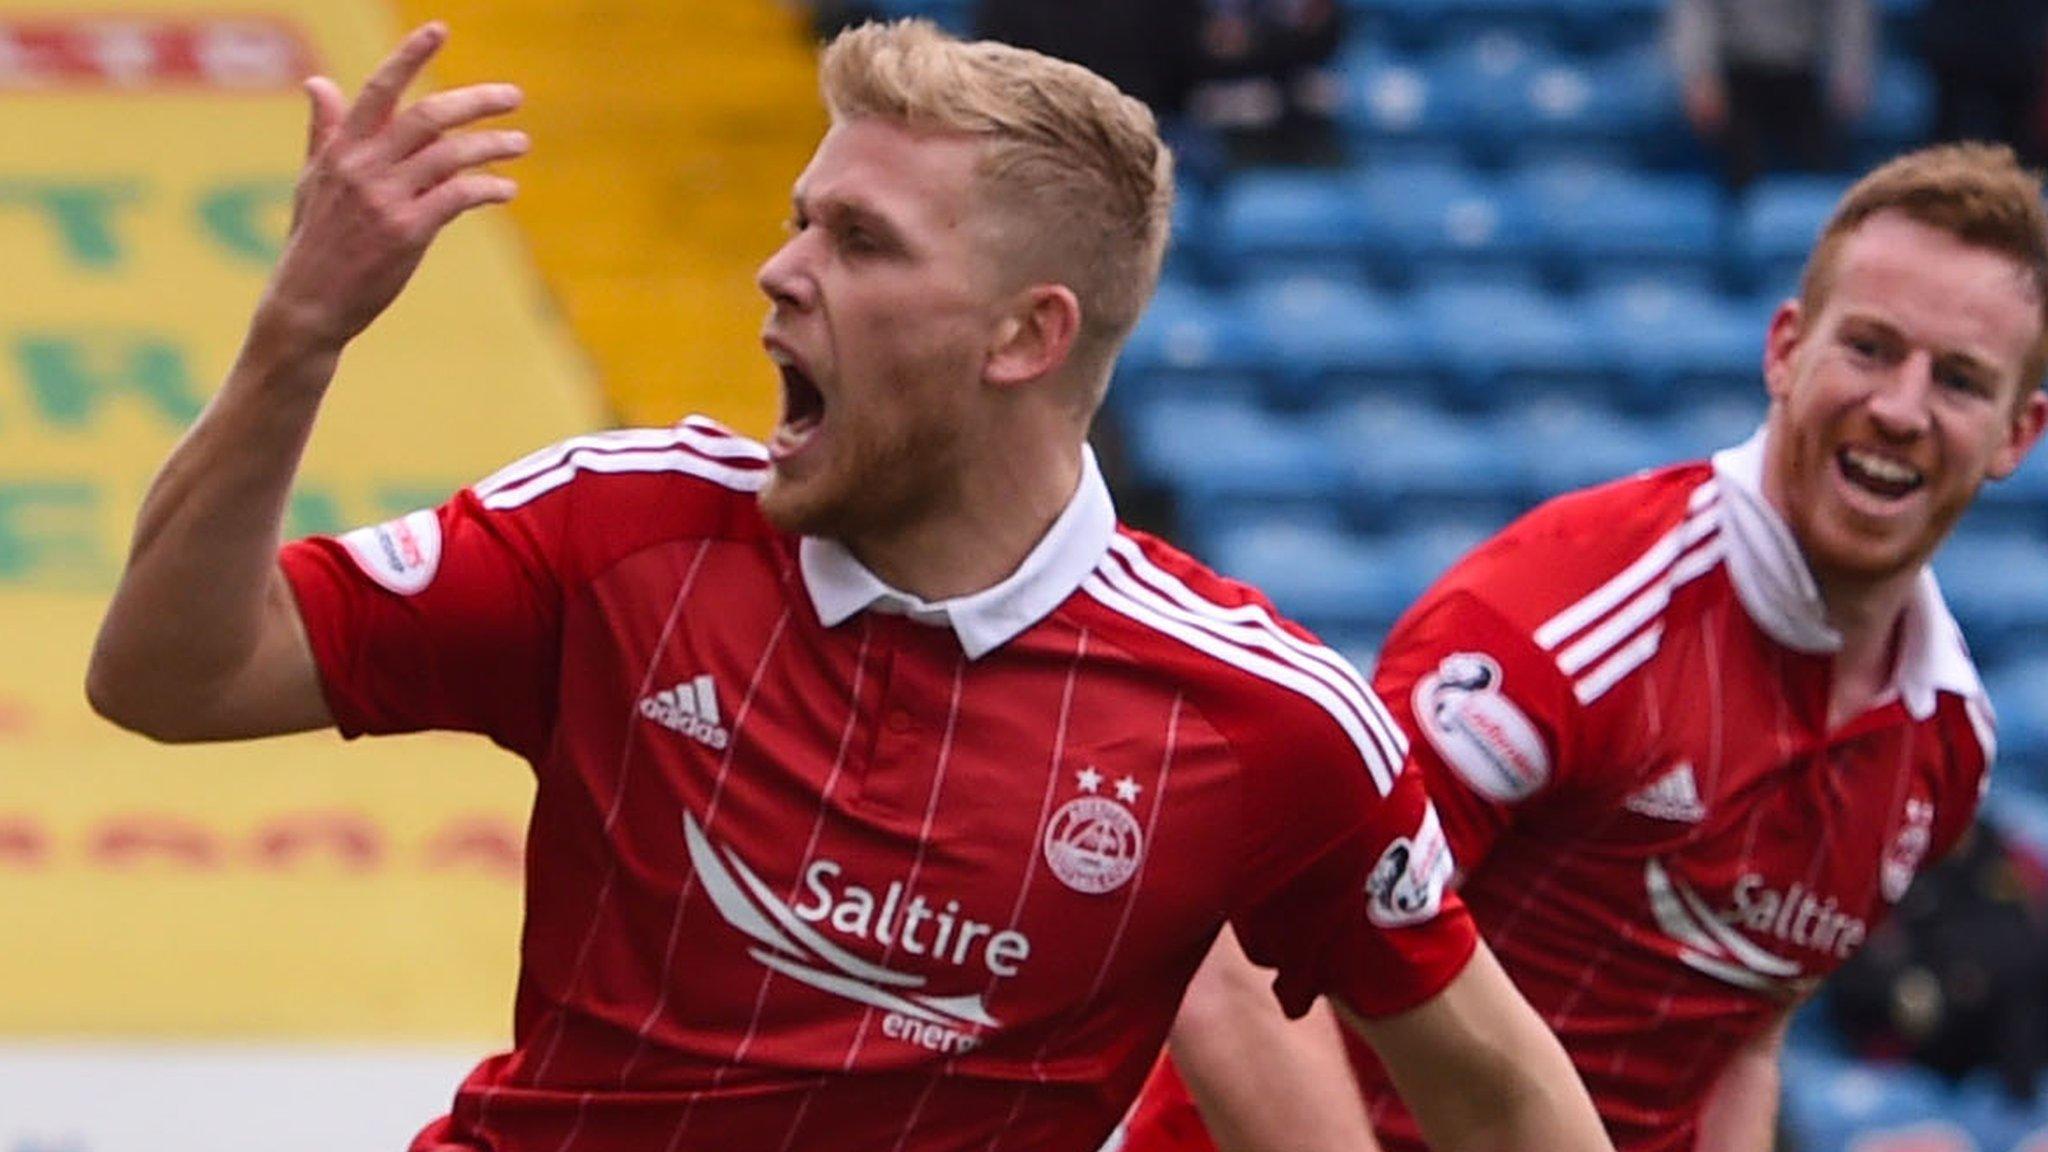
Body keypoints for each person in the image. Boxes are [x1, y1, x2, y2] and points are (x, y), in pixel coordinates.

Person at [83, 20, 1614, 1152]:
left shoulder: (1265, 718)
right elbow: (166, 677)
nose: (781, 268)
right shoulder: (622, 530)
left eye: (861, 240)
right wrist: (300, 331)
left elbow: (1500, 1090)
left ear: (1025, 335)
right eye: (800, 215)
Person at [1123, 140, 2048, 1152]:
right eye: (1867, 347)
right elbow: (1241, 966)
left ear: (2016, 433)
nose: (1899, 408)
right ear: (1784, 349)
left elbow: (1740, 1042)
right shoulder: (1571, 616)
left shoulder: (1943, 740)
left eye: (1957, 380)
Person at [1666, 0, 1873, 190]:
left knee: (1818, 174)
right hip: (1734, 72)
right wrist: (1700, 75)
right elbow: (1695, 12)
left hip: (1806, 72)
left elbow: (1848, 10)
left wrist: (1849, 68)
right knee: (1737, 167)